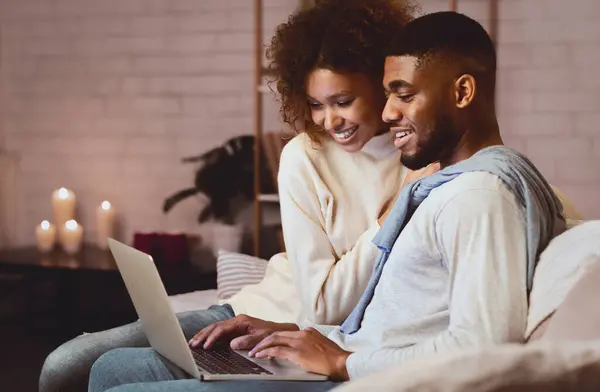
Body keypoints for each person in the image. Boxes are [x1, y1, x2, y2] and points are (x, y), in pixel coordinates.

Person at [88, 11, 577, 392]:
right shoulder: (449, 184)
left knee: (119, 383)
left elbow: (482, 345)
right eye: (387, 95)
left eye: (401, 95)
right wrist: (309, 337)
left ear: (463, 91)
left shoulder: (479, 194)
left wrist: (342, 360)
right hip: (335, 347)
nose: (388, 113)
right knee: (109, 367)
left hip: (350, 369)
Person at [39, 1, 421, 391]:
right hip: (252, 310)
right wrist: (392, 214)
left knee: (111, 372)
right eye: (316, 105)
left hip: (312, 335)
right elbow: (320, 299)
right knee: (64, 364)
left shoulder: (421, 157)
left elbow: (331, 307)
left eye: (343, 102)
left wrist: (394, 208)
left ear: (381, 84)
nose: (330, 121)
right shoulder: (306, 155)